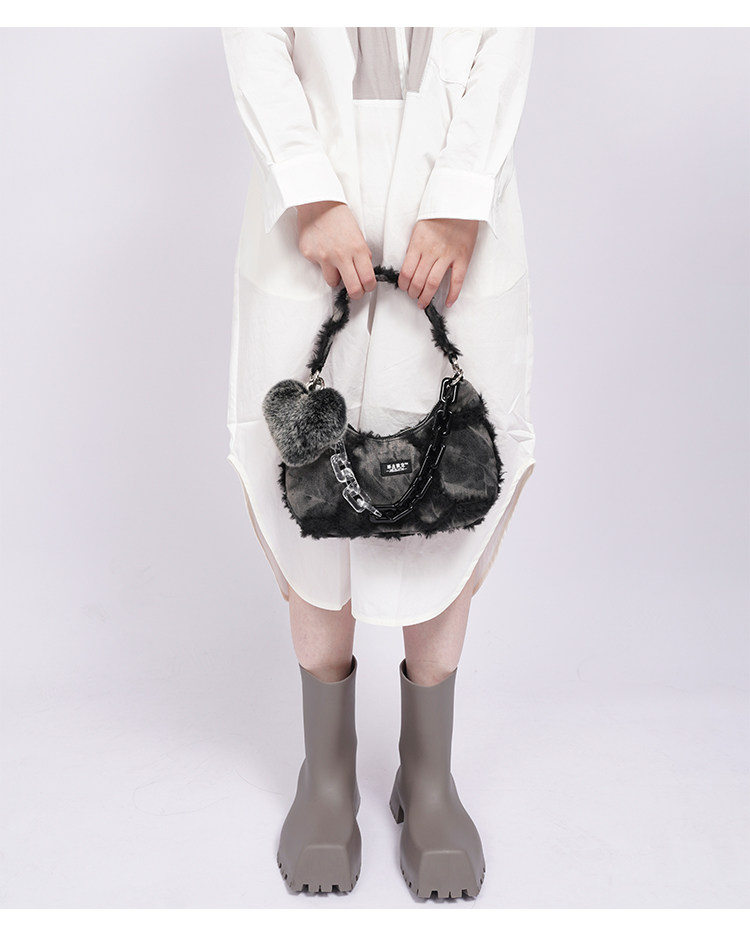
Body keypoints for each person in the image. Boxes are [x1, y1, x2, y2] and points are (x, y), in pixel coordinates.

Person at [221, 27, 536, 900]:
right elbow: (254, 29)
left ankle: (427, 778)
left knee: (451, 492)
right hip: (312, 221)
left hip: (457, 222)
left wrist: (462, 194)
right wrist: (308, 187)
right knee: (309, 495)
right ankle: (326, 778)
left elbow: (507, 31)